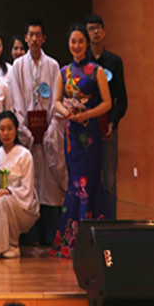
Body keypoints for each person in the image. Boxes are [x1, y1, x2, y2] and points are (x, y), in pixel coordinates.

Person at [52, 24, 112, 258]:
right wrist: (66, 112)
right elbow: (56, 101)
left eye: (80, 41)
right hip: (72, 136)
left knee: (90, 182)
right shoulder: (63, 71)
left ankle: (93, 239)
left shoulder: (96, 70)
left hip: (90, 134)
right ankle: (71, 240)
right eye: (73, 41)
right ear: (68, 44)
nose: (76, 45)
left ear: (87, 43)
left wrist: (87, 114)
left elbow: (107, 103)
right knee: (75, 183)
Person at [8, 19, 65, 246]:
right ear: (25, 37)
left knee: (49, 185)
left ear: (44, 38)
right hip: (27, 135)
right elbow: (16, 100)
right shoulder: (17, 66)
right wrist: (25, 130)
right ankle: (31, 237)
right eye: (30, 34)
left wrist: (50, 130)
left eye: (38, 35)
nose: (34, 39)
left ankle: (50, 235)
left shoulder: (53, 66)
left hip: (49, 134)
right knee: (29, 183)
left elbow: (56, 99)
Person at [85, 13, 127, 220]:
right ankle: (89, 222)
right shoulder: (81, 62)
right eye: (91, 29)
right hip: (85, 129)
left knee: (109, 180)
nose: (95, 32)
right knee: (88, 177)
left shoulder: (114, 61)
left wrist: (112, 122)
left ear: (104, 32)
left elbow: (122, 99)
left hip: (107, 128)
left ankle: (111, 223)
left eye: (98, 28)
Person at [0, 111, 38, 259]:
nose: (6, 133)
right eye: (2, 129)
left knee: (4, 200)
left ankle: (13, 245)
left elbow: (27, 189)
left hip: (22, 205)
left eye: (9, 128)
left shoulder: (25, 154)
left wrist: (8, 191)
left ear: (16, 130)